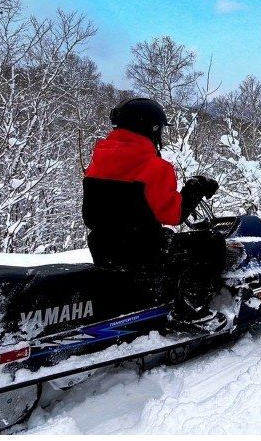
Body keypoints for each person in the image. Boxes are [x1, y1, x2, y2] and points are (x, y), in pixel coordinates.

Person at [82, 97, 227, 333]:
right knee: (210, 243)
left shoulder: (99, 160)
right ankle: (191, 310)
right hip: (142, 252)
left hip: (103, 248)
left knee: (167, 238)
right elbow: (174, 214)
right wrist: (195, 189)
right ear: (152, 129)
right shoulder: (154, 166)